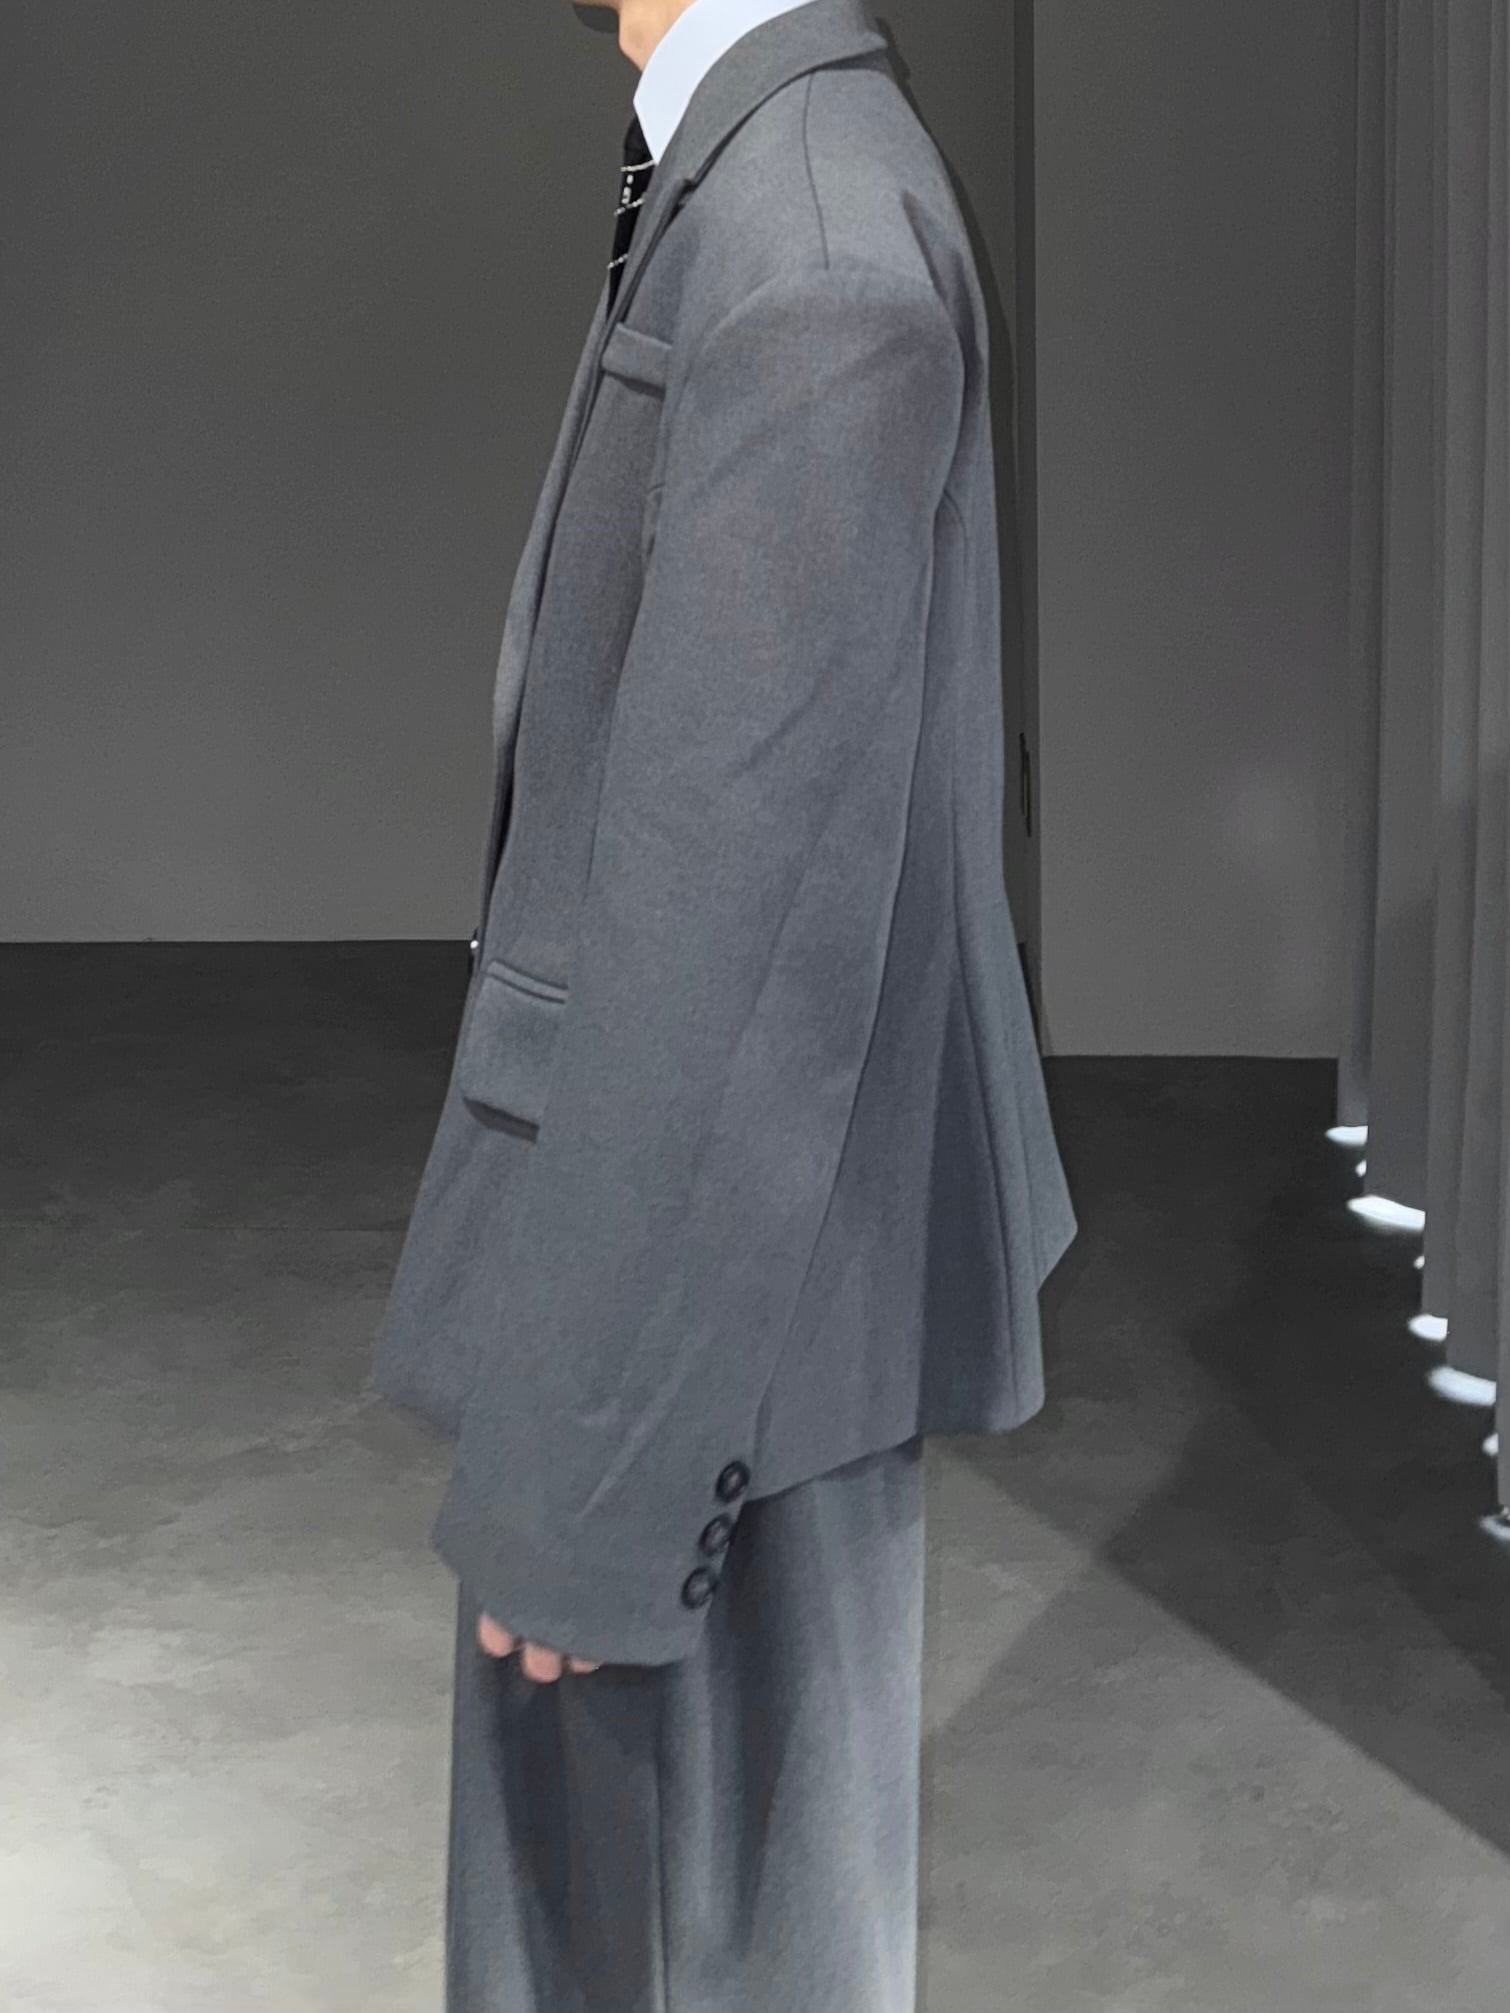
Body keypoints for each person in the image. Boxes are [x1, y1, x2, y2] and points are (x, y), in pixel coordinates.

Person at [366, 0, 1078, 2005]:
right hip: (723, 1291)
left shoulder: (811, 252)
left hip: (714, 1322)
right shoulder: (769, 189)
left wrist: (594, 1478)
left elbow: (737, 944)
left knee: (673, 1946)